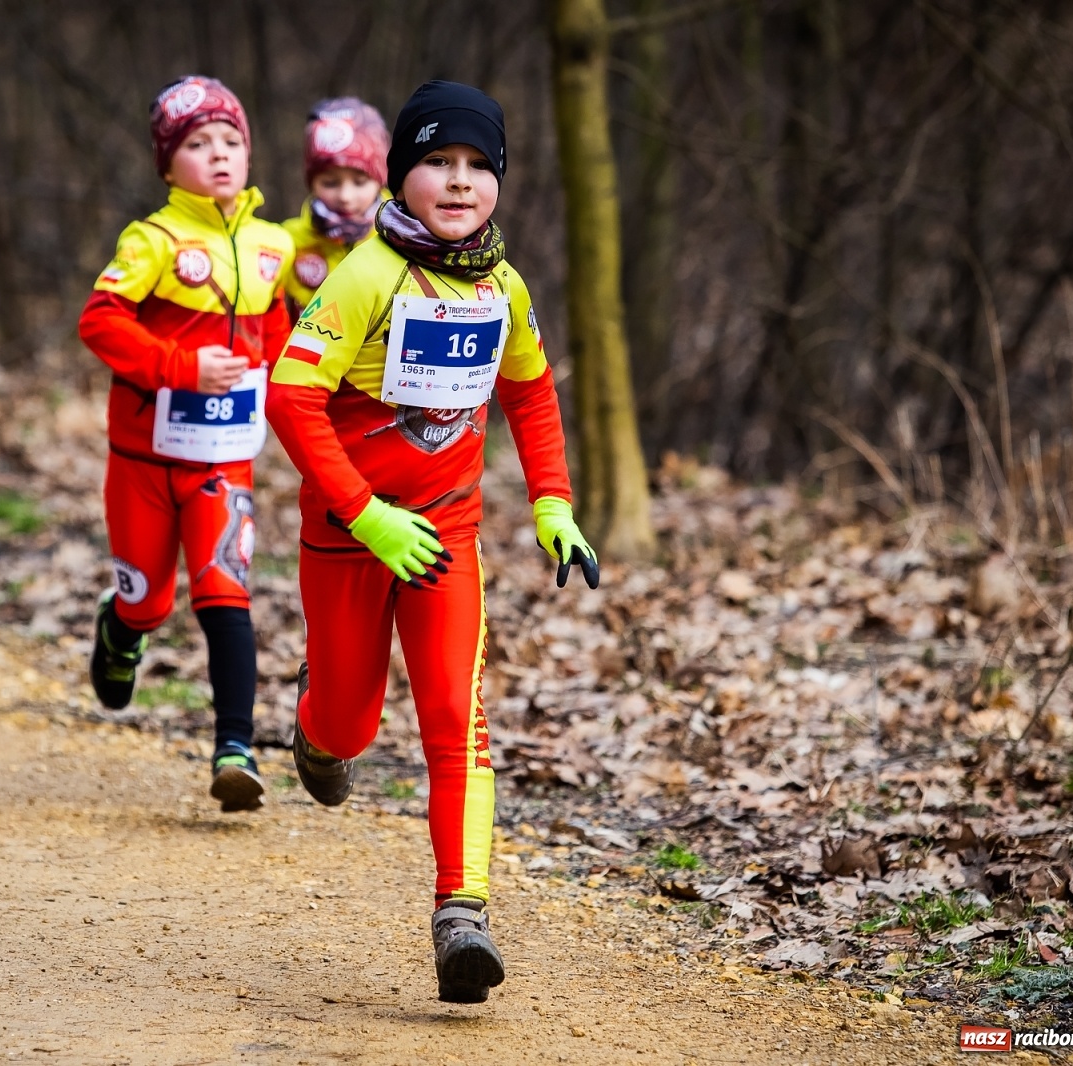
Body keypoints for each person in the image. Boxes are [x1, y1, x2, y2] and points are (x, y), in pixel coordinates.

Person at [266, 80, 599, 1003]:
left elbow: (529, 392)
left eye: (476, 167)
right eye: (435, 163)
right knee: (350, 721)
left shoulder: (504, 284)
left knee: (459, 715)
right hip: (350, 535)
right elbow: (291, 398)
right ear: (400, 175)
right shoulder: (368, 274)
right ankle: (316, 728)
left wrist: (553, 507)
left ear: (499, 182)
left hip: (448, 533)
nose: (457, 183)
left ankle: (464, 914)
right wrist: (366, 513)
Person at [77, 75, 293, 813]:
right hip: (142, 460)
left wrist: (303, 410)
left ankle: (235, 747)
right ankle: (121, 628)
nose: (220, 155)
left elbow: (288, 345)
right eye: (198, 145)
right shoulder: (153, 241)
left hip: (223, 460)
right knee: (150, 601)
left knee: (225, 590)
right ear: (169, 166)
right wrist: (181, 366)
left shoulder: (273, 248)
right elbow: (99, 323)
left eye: (231, 140)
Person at [280, 98, 388, 311]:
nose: (345, 196)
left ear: (380, 179)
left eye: (360, 182)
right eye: (330, 183)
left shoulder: (404, 240)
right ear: (311, 182)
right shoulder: (288, 241)